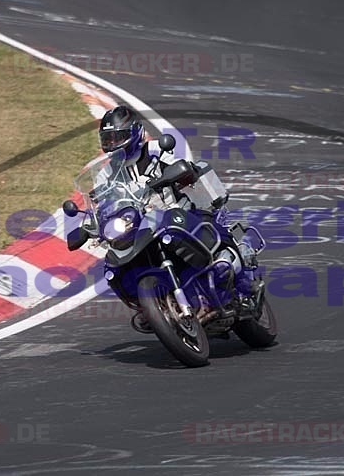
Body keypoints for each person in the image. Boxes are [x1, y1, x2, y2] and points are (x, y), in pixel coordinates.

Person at [97, 106, 257, 330]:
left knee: (210, 231)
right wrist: (92, 223)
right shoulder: (105, 173)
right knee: (118, 263)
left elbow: (182, 167)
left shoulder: (156, 150)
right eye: (109, 139)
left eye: (119, 137)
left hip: (177, 211)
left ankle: (240, 275)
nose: (113, 144)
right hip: (140, 226)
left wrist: (178, 172)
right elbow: (100, 202)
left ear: (135, 133)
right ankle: (154, 305)